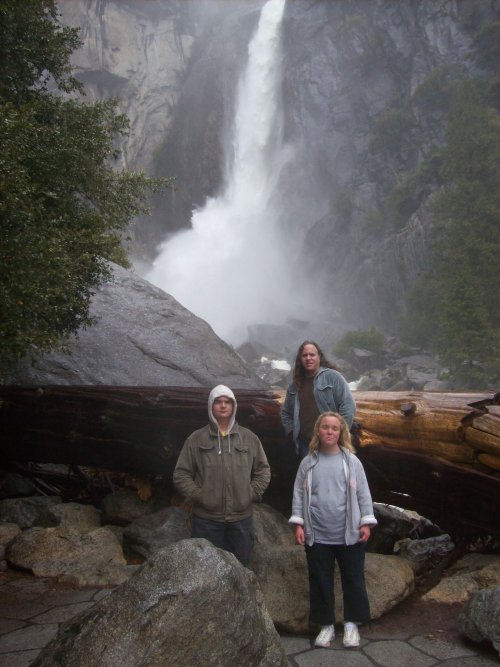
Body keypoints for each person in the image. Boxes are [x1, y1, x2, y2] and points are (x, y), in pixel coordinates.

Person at [289, 411, 377, 649]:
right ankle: (326, 625)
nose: (330, 431)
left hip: (349, 532)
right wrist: (299, 523)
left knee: (353, 578)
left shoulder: (351, 461)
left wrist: (366, 522)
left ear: (341, 433)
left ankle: (351, 624)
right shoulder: (308, 462)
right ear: (318, 431)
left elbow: (363, 494)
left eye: (334, 428)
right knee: (320, 579)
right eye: (325, 427)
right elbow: (298, 493)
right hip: (317, 533)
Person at [173, 384, 270, 567]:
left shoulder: (249, 438)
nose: (223, 405)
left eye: (227, 402)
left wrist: (252, 492)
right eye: (218, 402)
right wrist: (198, 495)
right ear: (211, 406)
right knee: (206, 571)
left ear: (234, 407)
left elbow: (263, 469)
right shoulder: (196, 439)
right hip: (206, 521)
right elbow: (181, 473)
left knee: (241, 570)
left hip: (241, 520)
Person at [281, 341, 356, 460]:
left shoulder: (333, 377)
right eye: (304, 355)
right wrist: (291, 432)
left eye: (312, 355)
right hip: (305, 445)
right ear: (300, 359)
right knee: (309, 479)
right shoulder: (294, 385)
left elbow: (348, 407)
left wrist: (339, 436)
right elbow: (286, 413)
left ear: (319, 357)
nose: (308, 358)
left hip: (330, 444)